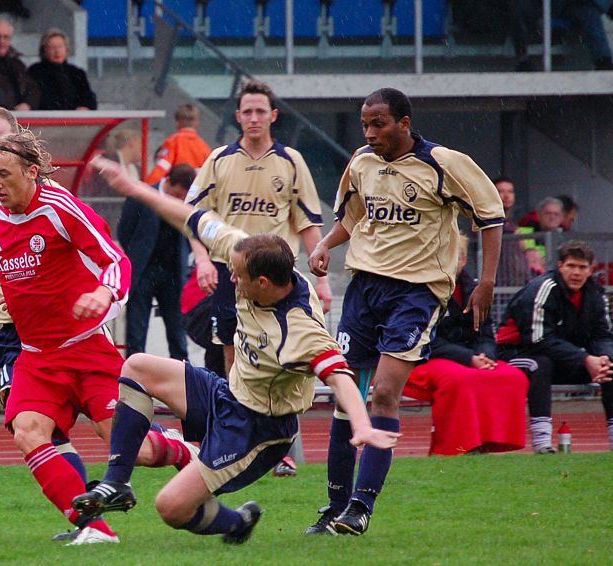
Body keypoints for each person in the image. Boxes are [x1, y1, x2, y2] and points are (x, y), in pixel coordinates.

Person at [71, 157, 400, 544]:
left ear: (262, 283)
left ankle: (238, 522)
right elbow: (189, 217)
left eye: (238, 276)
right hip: (227, 394)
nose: (231, 278)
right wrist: (135, 188)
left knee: (171, 507)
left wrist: (362, 425)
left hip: (258, 430)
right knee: (137, 365)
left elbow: (340, 377)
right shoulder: (245, 250)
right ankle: (117, 483)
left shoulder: (298, 329)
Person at [0, 130, 196, 545]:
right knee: (27, 431)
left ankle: (182, 450)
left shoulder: (60, 207)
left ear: (31, 171)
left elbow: (116, 259)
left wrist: (104, 292)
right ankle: (93, 528)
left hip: (87, 350)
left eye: (3, 174)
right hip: (37, 357)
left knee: (135, 449)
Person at [307, 87, 503, 536]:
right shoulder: (362, 162)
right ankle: (334, 507)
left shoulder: (443, 163)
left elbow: (490, 216)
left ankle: (361, 506)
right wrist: (324, 245)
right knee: (345, 396)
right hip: (364, 288)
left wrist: (487, 281)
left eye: (378, 124)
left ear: (404, 123)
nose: (369, 133)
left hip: (416, 293)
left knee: (383, 394)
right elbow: (352, 217)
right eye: (365, 125)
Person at [185, 80, 332, 376]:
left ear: (273, 115)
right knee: (229, 348)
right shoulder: (219, 159)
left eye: (260, 112)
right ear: (238, 116)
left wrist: (322, 281)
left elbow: (307, 225)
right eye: (248, 112)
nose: (254, 118)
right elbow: (192, 216)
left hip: (276, 273)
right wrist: (202, 260)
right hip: (231, 272)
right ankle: (234, 405)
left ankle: (276, 405)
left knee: (280, 349)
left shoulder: (291, 161)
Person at [496, 239, 613, 452]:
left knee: (610, 364)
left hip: (562, 358)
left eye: (582, 267)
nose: (576, 273)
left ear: (591, 269)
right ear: (560, 266)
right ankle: (542, 442)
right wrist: (584, 359)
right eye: (571, 266)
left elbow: (603, 335)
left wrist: (602, 357)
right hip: (515, 354)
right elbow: (538, 340)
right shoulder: (544, 289)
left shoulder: (595, 293)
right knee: (540, 364)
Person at [402, 235, 529, 456]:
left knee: (513, 377)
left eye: (456, 256)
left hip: (469, 356)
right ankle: (455, 447)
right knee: (460, 381)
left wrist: (485, 355)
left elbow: (485, 331)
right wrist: (469, 358)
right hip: (427, 358)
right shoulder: (420, 290)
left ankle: (489, 441)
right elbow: (425, 339)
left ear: (463, 259)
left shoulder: (475, 289)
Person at [117, 163, 193, 360]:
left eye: (183, 197)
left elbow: (192, 233)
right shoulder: (141, 196)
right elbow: (124, 231)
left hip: (173, 275)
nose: (178, 200)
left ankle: (181, 373)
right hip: (142, 273)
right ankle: (134, 374)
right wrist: (136, 255)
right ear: (168, 182)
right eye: (176, 194)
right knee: (136, 333)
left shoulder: (190, 201)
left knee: (178, 333)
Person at [27, 28, 97, 111]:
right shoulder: (35, 72)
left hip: (73, 117)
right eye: (52, 47)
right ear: (44, 50)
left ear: (66, 49)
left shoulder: (77, 73)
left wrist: (84, 107)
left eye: (60, 46)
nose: (57, 51)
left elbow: (88, 98)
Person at [143, 103, 211, 185]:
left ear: (177, 122)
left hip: (176, 187)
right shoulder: (204, 147)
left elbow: (162, 168)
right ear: (197, 123)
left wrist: (147, 186)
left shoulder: (172, 142)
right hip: (195, 188)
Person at [493, 176, 530, 286]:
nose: (506, 196)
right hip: (499, 283)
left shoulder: (512, 225)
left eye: (510, 192)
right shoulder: (486, 220)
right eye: (501, 191)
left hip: (517, 281)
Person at [518, 196, 565, 277]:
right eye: (548, 213)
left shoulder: (567, 239)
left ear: (562, 218)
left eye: (556, 214)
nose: (552, 217)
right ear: (538, 215)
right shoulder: (522, 233)